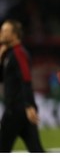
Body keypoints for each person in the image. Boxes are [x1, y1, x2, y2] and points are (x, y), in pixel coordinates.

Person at [0, 19, 45, 152]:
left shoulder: (19, 53)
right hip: (22, 110)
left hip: (16, 110)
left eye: (4, 31)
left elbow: (26, 79)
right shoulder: (10, 54)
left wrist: (28, 105)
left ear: (15, 35)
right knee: (36, 151)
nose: (1, 33)